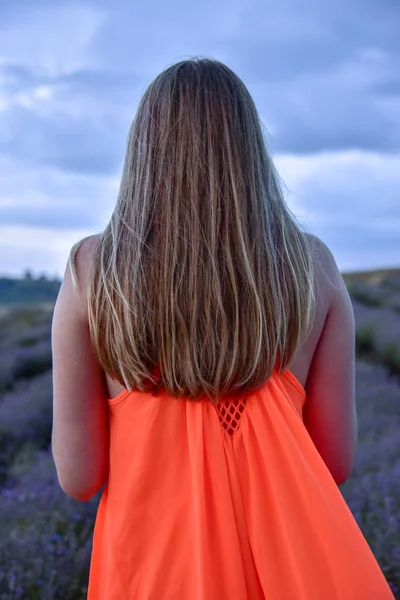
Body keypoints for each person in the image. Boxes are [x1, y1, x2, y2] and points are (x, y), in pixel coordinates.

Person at [51, 58, 395, 600]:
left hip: (152, 572)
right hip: (290, 572)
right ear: (250, 150)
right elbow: (335, 462)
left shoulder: (92, 272)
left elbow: (79, 477)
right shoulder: (313, 267)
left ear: (144, 152)